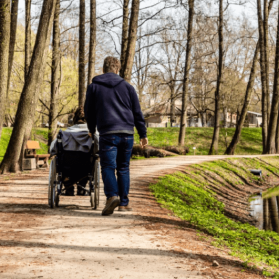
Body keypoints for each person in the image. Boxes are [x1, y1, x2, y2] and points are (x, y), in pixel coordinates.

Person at [84, 56, 148, 216]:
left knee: (108, 166)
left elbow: (88, 111)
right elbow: (137, 112)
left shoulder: (94, 87)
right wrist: (143, 133)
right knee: (123, 168)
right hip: (127, 133)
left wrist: (91, 128)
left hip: (108, 133)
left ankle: (112, 196)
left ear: (103, 69)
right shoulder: (128, 87)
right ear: (117, 69)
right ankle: (124, 204)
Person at [50, 106, 98, 196]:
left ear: (75, 118)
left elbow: (53, 148)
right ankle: (81, 187)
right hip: (85, 166)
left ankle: (68, 187)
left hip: (67, 166)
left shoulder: (65, 132)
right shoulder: (93, 134)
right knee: (91, 162)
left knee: (64, 164)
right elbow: (98, 149)